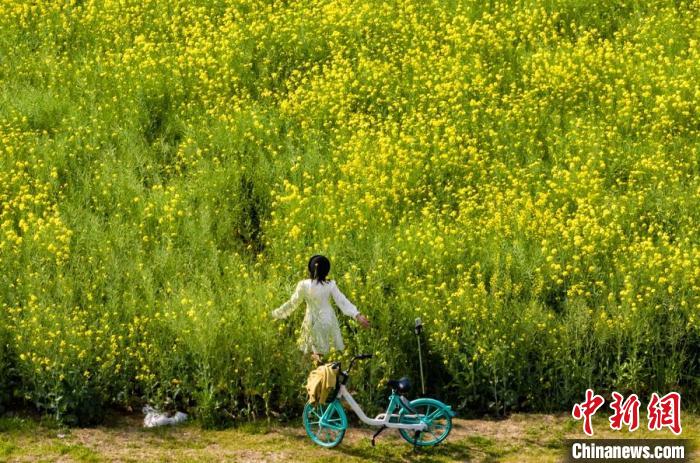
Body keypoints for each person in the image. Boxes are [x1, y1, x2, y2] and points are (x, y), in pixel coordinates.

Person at [271, 255, 370, 364]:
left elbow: (293, 303)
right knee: (328, 355)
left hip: (311, 320)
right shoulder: (330, 284)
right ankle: (327, 376)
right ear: (326, 272)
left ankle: (315, 377)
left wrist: (276, 314)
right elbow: (342, 301)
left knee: (310, 355)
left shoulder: (303, 285)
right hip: (328, 320)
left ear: (310, 269)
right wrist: (357, 315)